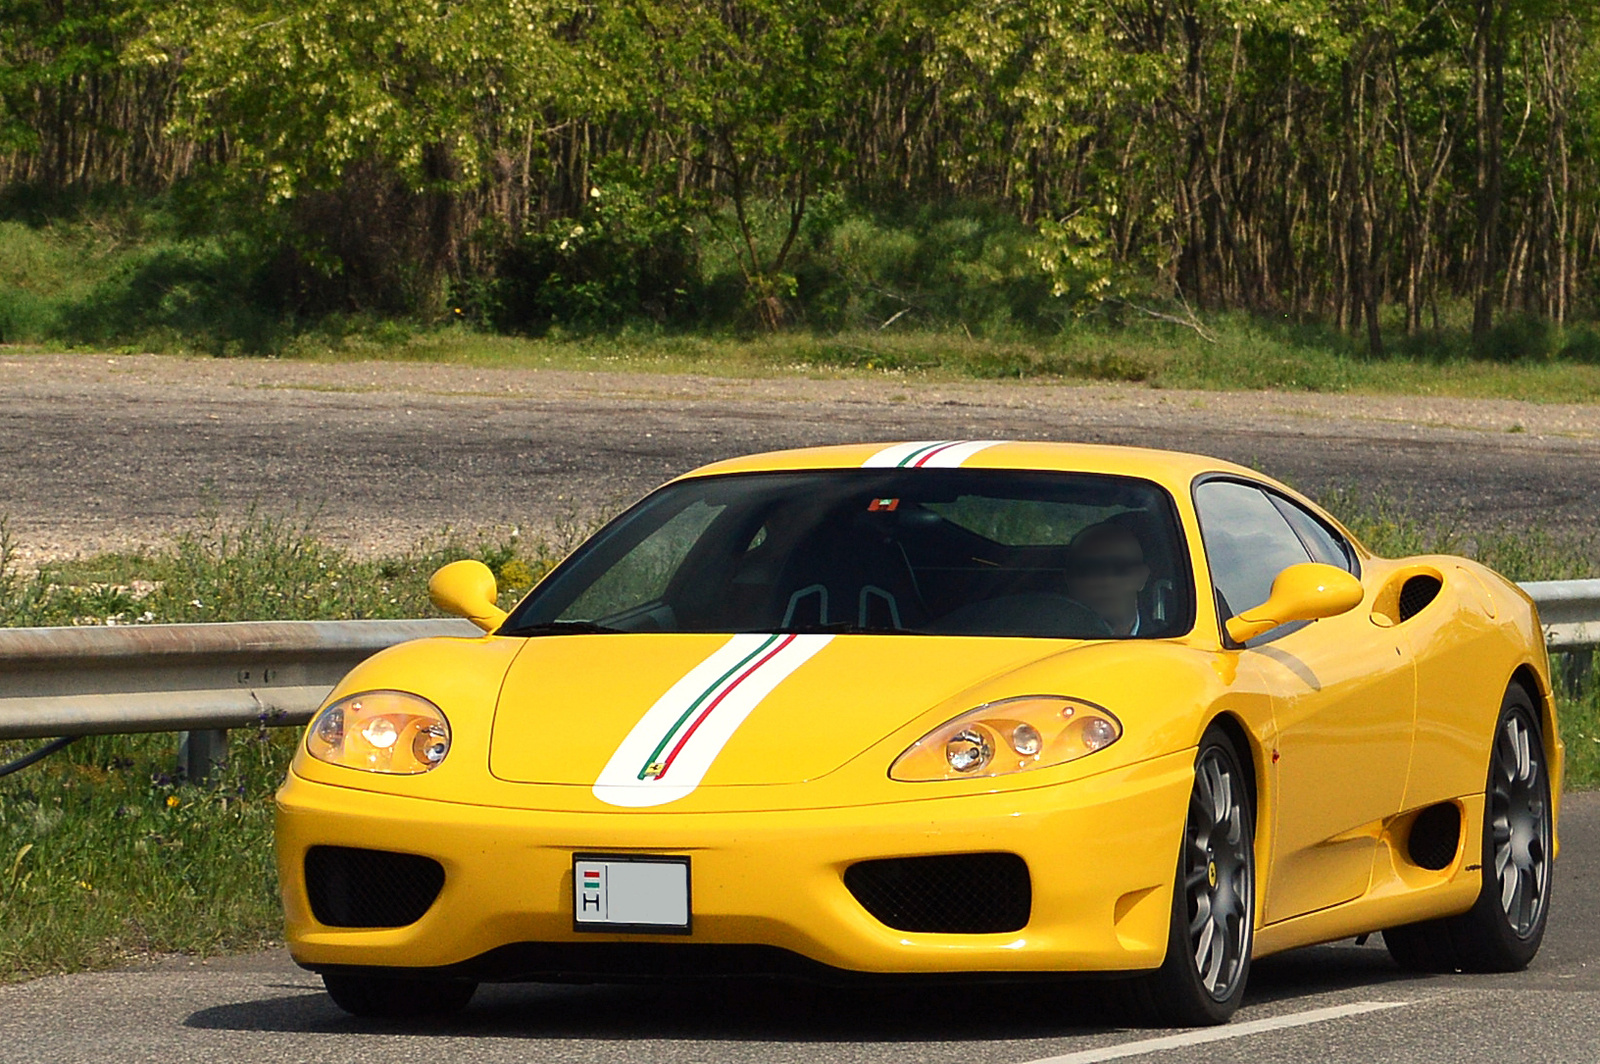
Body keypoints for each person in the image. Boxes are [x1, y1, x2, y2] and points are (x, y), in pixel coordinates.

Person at [1064, 522, 1150, 636]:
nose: (1106, 580)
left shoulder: (1169, 642)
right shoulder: (1045, 637)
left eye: (1120, 568)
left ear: (1141, 578)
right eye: (1089, 569)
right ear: (1069, 579)